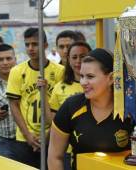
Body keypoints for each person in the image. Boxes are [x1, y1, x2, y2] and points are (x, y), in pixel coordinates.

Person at [47, 48, 136, 170]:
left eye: (90, 77)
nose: (83, 82)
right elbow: (55, 156)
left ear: (111, 78)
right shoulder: (71, 107)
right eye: (82, 76)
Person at [6, 27, 64, 168]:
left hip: (53, 137)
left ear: (45, 45)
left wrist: (48, 136)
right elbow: (14, 105)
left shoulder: (59, 71)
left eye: (35, 44)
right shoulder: (16, 71)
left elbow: (62, 110)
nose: (30, 48)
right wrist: (27, 135)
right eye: (27, 44)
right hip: (25, 138)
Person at [48, 41, 91, 170]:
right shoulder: (59, 88)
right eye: (74, 57)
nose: (78, 61)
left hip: (92, 148)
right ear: (68, 60)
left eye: (83, 56)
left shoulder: (99, 86)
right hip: (67, 151)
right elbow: (54, 121)